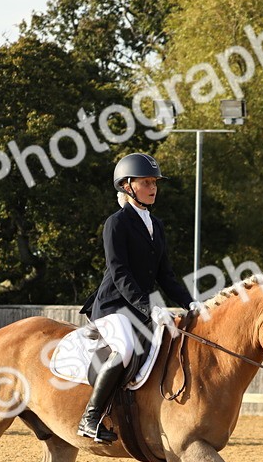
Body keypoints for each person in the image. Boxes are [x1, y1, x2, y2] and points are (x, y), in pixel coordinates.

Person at [77, 153, 197, 444]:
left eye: (154, 182)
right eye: (146, 182)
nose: (153, 187)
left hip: (140, 306)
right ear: (127, 186)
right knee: (127, 347)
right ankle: (90, 418)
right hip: (113, 305)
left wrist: (191, 303)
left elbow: (165, 275)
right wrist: (150, 307)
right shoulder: (116, 223)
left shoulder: (156, 225)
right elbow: (120, 273)